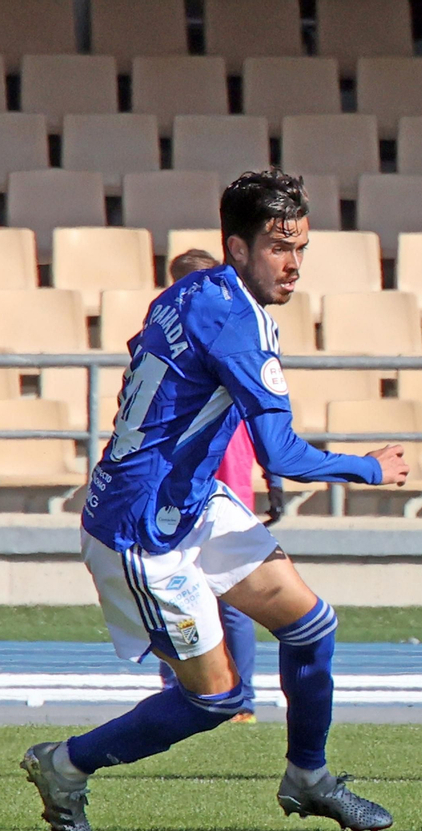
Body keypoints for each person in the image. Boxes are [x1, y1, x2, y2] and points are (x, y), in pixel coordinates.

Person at [21, 169, 409, 831]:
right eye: (277, 246)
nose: (292, 266)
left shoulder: (190, 291)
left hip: (193, 500)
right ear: (235, 247)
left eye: (301, 248)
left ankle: (308, 778)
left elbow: (144, 355)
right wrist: (371, 466)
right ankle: (65, 764)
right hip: (142, 529)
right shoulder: (238, 322)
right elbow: (281, 455)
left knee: (311, 625)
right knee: (216, 699)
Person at [151, 249, 280, 724]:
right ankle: (212, 696)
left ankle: (231, 698)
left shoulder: (202, 338)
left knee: (216, 598)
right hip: (191, 489)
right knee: (190, 596)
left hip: (210, 488)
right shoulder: (191, 339)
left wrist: (272, 475)